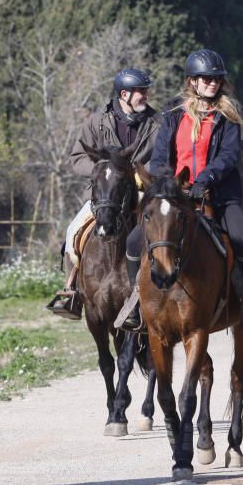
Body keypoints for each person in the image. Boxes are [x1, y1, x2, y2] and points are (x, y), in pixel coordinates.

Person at [122, 48, 243, 335]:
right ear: (192, 82)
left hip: (220, 193)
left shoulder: (229, 115)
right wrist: (167, 182)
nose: (213, 83)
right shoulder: (174, 113)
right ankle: (135, 304)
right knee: (134, 241)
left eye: (216, 79)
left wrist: (206, 178)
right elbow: (161, 155)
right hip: (176, 194)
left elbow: (228, 155)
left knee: (242, 240)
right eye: (206, 78)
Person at [47, 68, 160, 319]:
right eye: (140, 91)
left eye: (145, 90)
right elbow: (77, 158)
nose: (145, 95)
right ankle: (72, 289)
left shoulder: (157, 123)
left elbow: (165, 158)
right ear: (124, 94)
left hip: (142, 192)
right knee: (73, 231)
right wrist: (102, 172)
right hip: (106, 194)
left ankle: (161, 287)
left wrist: (141, 175)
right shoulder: (97, 121)